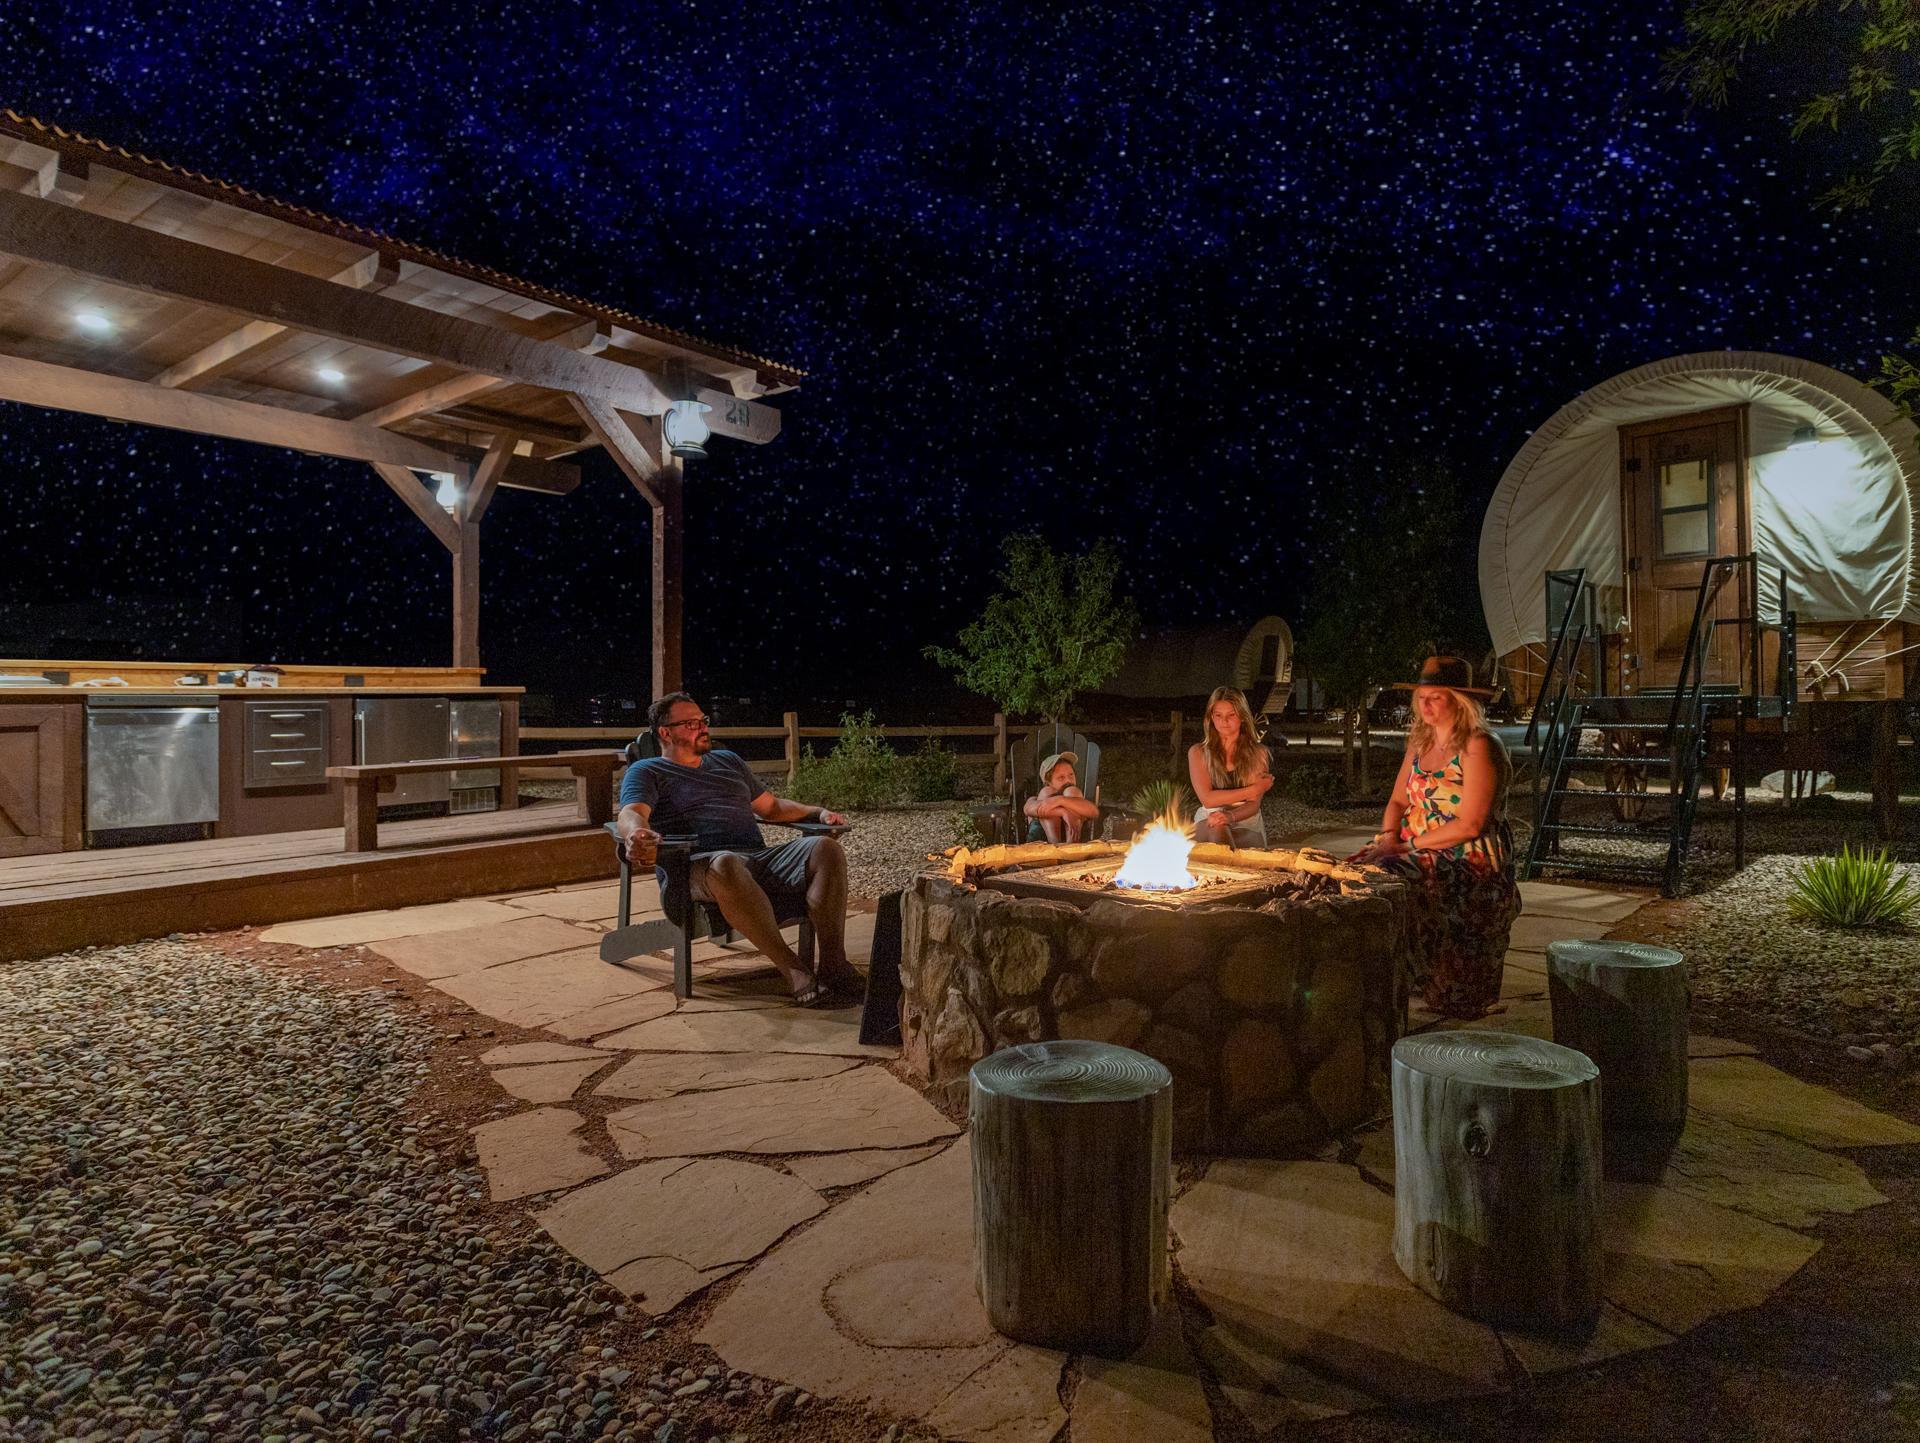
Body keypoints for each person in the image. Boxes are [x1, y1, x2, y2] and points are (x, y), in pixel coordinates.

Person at [615, 692, 861, 1007]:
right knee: (727, 864)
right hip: (695, 866)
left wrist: (818, 813)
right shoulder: (648, 770)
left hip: (754, 858)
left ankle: (833, 964)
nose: (703, 727)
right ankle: (794, 969)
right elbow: (631, 812)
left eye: (703, 720)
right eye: (690, 723)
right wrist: (636, 833)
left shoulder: (728, 761)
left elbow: (771, 807)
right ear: (665, 733)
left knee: (825, 848)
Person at [1349, 655, 1522, 1019]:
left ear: (1458, 700)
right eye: (1422, 697)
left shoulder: (1479, 746)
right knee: (1353, 873)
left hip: (1462, 854)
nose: (1425, 704)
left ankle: (1417, 979)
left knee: (1396, 877)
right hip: (1411, 842)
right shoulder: (1421, 743)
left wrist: (1405, 846)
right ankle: (1376, 979)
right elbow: (1397, 800)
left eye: (1436, 697)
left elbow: (1471, 824)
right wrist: (1386, 836)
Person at [1188, 686, 1273, 846]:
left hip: (1246, 820)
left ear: (1242, 716)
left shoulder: (1258, 753)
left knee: (1221, 828)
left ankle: (1220, 869)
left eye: (1230, 715)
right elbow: (1208, 800)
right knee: (1216, 826)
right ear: (1211, 717)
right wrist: (1255, 789)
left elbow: (1253, 805)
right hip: (1210, 816)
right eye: (1218, 715)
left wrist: (1229, 816)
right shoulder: (1198, 752)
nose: (1224, 721)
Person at [1024, 750, 1100, 843]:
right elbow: (1028, 809)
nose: (1068, 780)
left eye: (1071, 775)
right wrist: (1063, 812)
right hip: (1038, 853)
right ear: (1048, 782)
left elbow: (1094, 812)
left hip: (1076, 853)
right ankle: (1055, 845)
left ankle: (1069, 848)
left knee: (1072, 792)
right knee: (1047, 792)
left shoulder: (1079, 800)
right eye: (1061, 777)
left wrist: (1060, 800)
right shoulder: (1035, 799)